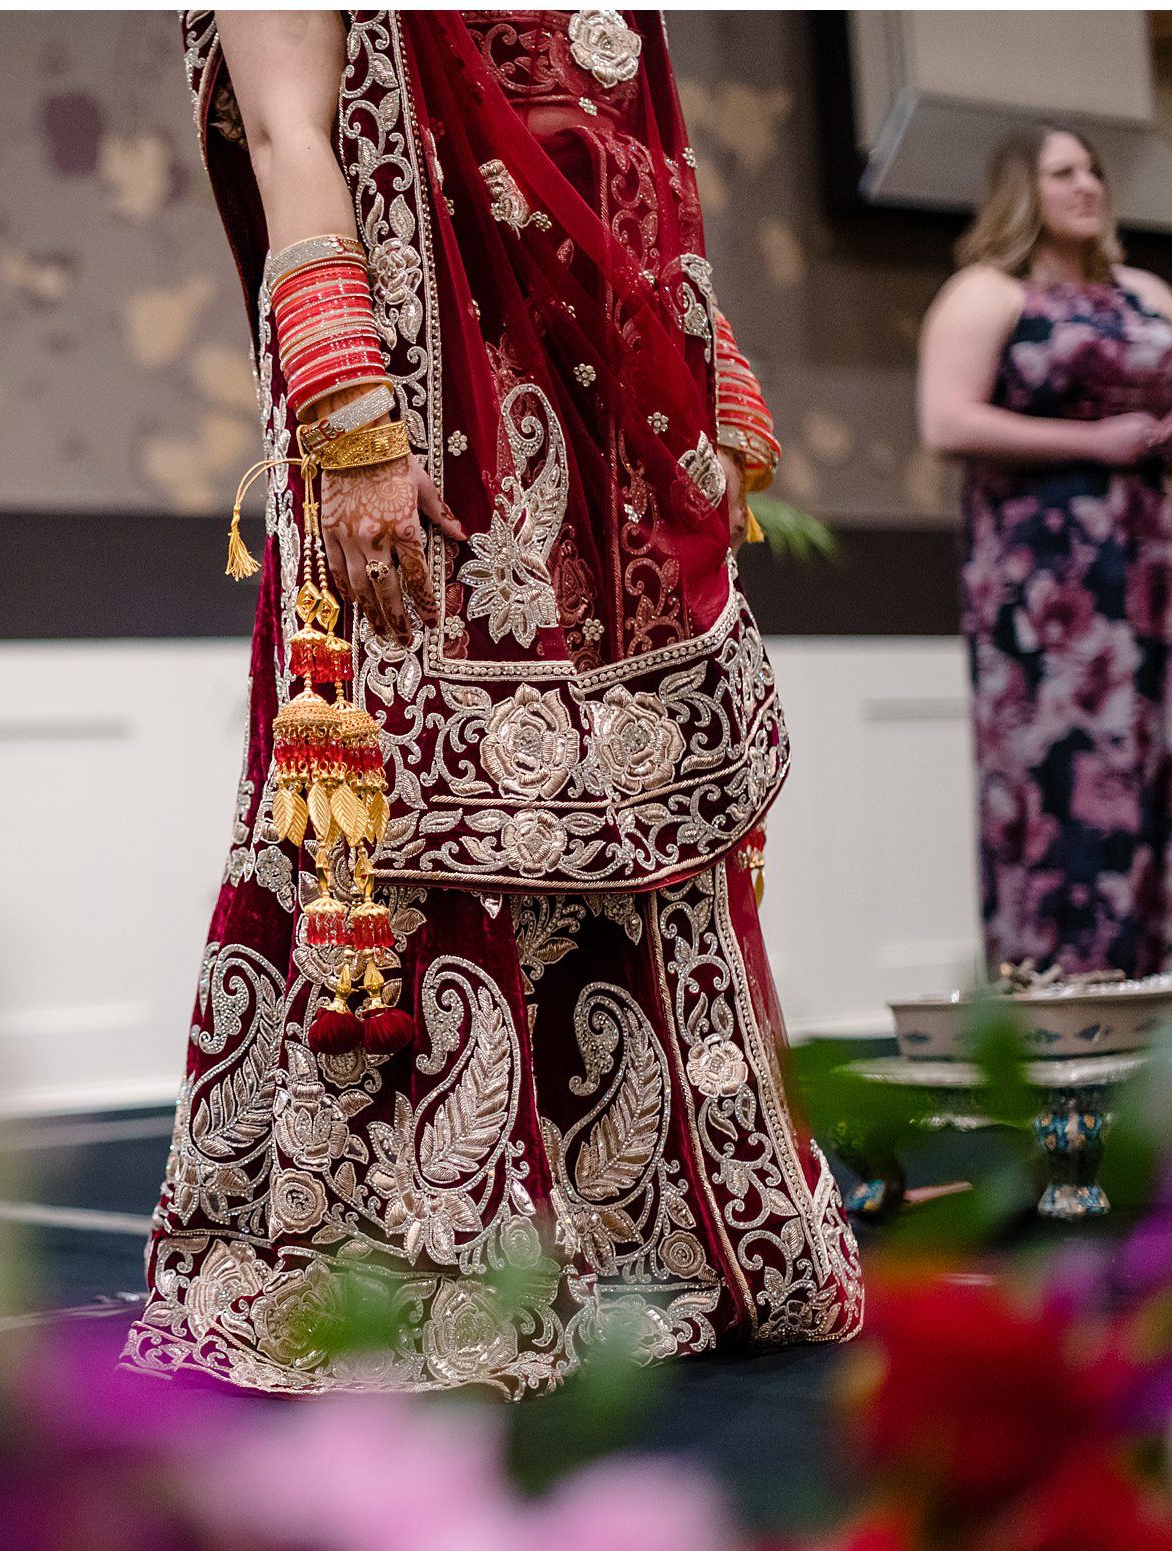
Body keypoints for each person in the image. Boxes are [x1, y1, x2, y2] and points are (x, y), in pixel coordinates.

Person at [125, 10, 863, 1398]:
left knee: (627, 795)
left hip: (601, 429)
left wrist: (699, 351)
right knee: (429, 799)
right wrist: (346, 408)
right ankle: (417, 1261)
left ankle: (660, 1242)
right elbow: (291, 128)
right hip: (423, 425)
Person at [917, 125, 1172, 983]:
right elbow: (946, 421)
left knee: (1163, 758)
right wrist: (1090, 442)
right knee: (1063, 769)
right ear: (1024, 190)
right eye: (1064, 172)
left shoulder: (1147, 293)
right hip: (1043, 575)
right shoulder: (987, 294)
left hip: (1152, 567)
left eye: (1094, 169)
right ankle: (1064, 993)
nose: (1088, 184)